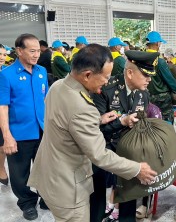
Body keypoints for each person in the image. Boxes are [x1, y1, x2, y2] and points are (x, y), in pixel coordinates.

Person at [27, 44, 157, 222]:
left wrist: (98, 119)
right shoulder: (83, 106)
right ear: (88, 74)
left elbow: (67, 120)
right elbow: (99, 155)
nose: (106, 81)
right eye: (105, 77)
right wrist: (137, 169)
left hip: (50, 175)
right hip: (68, 186)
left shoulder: (58, 86)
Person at [91, 50, 159, 222]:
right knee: (97, 198)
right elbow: (93, 130)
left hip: (128, 151)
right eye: (145, 75)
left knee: (129, 194)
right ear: (130, 73)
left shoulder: (143, 94)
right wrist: (121, 122)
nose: (149, 79)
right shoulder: (105, 89)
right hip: (103, 150)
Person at [0, 34, 49, 220]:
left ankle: (46, 197)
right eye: (32, 51)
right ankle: (27, 203)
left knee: (45, 168)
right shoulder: (6, 75)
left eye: (38, 50)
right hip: (19, 133)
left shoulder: (41, 72)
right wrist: (7, 136)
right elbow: (2, 107)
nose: (37, 54)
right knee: (20, 174)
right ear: (19, 51)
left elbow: (45, 101)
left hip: (42, 130)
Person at [145, 31, 176, 124]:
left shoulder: (141, 59)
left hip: (148, 96)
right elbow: (170, 81)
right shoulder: (160, 61)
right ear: (157, 43)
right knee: (166, 122)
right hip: (162, 98)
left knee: (152, 121)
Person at [0, 44, 8, 186]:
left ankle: (1, 167)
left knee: (2, 145)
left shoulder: (5, 73)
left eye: (3, 54)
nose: (2, 57)